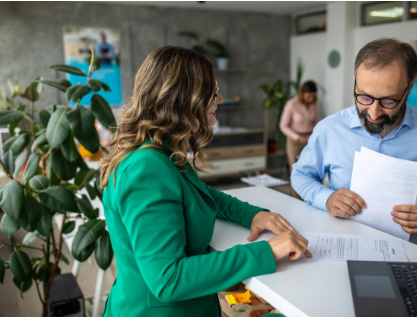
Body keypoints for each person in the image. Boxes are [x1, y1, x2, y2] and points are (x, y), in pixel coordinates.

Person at [99, 46, 312, 317]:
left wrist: (254, 215)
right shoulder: (148, 167)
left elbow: (199, 192)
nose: (220, 99)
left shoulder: (157, 149)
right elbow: (169, 280)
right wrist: (267, 251)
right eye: (212, 93)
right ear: (185, 100)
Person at [291, 38, 417, 250]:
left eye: (388, 101)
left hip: (412, 256)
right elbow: (300, 174)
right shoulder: (329, 129)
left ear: (410, 87)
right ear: (355, 83)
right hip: (341, 250)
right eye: (364, 97)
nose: (374, 113)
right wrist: (327, 198)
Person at [279, 80, 319, 199]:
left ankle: (310, 197)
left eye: (313, 96)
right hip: (295, 140)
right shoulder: (292, 104)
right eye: (308, 96)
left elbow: (316, 120)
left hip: (309, 139)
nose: (311, 99)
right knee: (296, 169)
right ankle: (296, 198)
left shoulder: (314, 104)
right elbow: (283, 126)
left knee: (311, 168)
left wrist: (316, 133)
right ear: (302, 93)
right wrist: (298, 137)